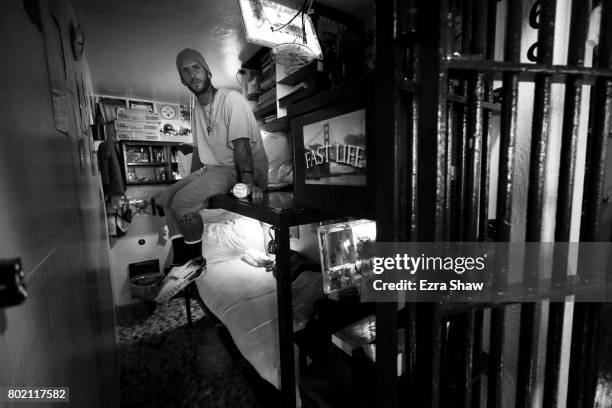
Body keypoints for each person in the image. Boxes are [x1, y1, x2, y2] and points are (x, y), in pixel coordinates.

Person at [154, 48, 269, 303]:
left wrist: (250, 183)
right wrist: (192, 178)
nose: (191, 74)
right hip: (214, 168)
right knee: (167, 197)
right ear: (182, 80)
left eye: (196, 67)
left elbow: (241, 146)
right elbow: (199, 151)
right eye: (185, 71)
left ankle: (193, 262)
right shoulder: (196, 107)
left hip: (237, 168)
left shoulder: (231, 99)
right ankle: (180, 263)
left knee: (183, 201)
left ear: (208, 71)